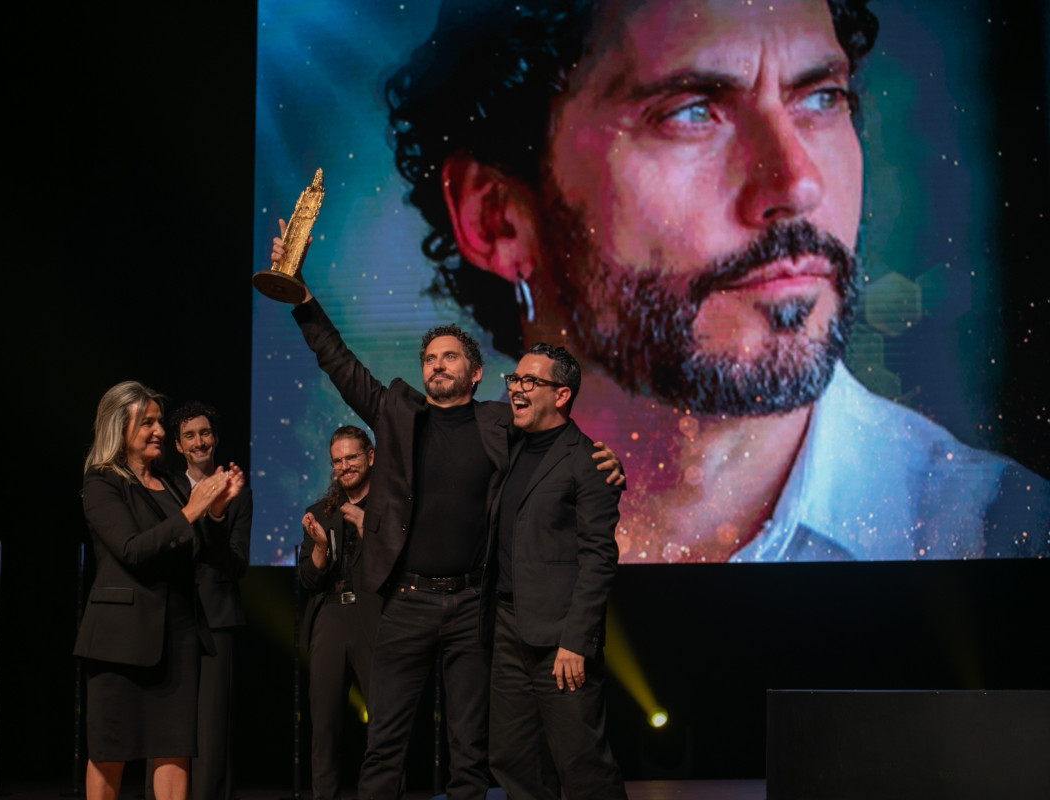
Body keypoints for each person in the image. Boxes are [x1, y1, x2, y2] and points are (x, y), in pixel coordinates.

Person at [383, 0, 1050, 562]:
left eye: (821, 97)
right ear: (497, 219)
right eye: (690, 112)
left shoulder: (1003, 543)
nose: (797, 183)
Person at [273, 225, 624, 800]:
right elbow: (338, 363)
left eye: (450, 357)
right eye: (430, 358)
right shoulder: (396, 412)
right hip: (405, 602)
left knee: (471, 749)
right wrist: (303, 300)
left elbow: (560, 442)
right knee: (385, 742)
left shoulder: (499, 423)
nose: (437, 366)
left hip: (470, 608)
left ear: (476, 371)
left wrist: (609, 464)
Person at [74, 381, 245, 800]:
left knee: (175, 751)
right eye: (146, 422)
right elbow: (132, 549)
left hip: (178, 637)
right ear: (120, 427)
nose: (158, 431)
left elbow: (205, 553)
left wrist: (217, 512)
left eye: (157, 422)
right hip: (120, 643)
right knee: (110, 753)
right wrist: (193, 510)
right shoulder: (102, 483)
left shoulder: (171, 483)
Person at [485, 343, 625, 800]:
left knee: (582, 764)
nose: (516, 389)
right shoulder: (508, 442)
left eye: (530, 381)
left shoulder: (588, 461)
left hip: (560, 642)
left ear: (561, 395)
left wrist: (576, 642)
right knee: (513, 759)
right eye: (514, 380)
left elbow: (598, 558)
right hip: (508, 630)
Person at [165, 402, 252, 800]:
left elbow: (236, 565)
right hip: (172, 618)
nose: (199, 441)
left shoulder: (238, 493)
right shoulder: (163, 488)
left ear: (215, 438)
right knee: (166, 725)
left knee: (213, 729)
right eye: (189, 436)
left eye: (205, 433)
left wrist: (215, 514)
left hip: (218, 621)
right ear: (179, 445)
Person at [298, 425, 384, 800]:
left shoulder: (390, 508)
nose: (345, 466)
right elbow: (307, 580)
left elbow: (401, 568)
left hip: (376, 621)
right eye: (337, 461)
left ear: (370, 457)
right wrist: (319, 549)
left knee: (384, 726)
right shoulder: (320, 513)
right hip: (330, 620)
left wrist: (371, 531)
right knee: (325, 727)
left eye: (351, 457)